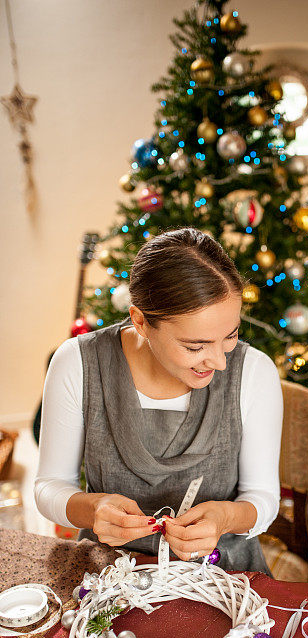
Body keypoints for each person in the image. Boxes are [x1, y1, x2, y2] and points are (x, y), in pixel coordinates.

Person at [35, 228, 283, 573]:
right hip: (108, 577)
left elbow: (264, 498)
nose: (220, 362)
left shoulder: (255, 372)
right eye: (195, 346)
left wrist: (225, 517)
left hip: (224, 573)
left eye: (230, 335)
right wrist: (94, 510)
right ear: (140, 321)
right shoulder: (77, 362)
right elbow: (49, 487)